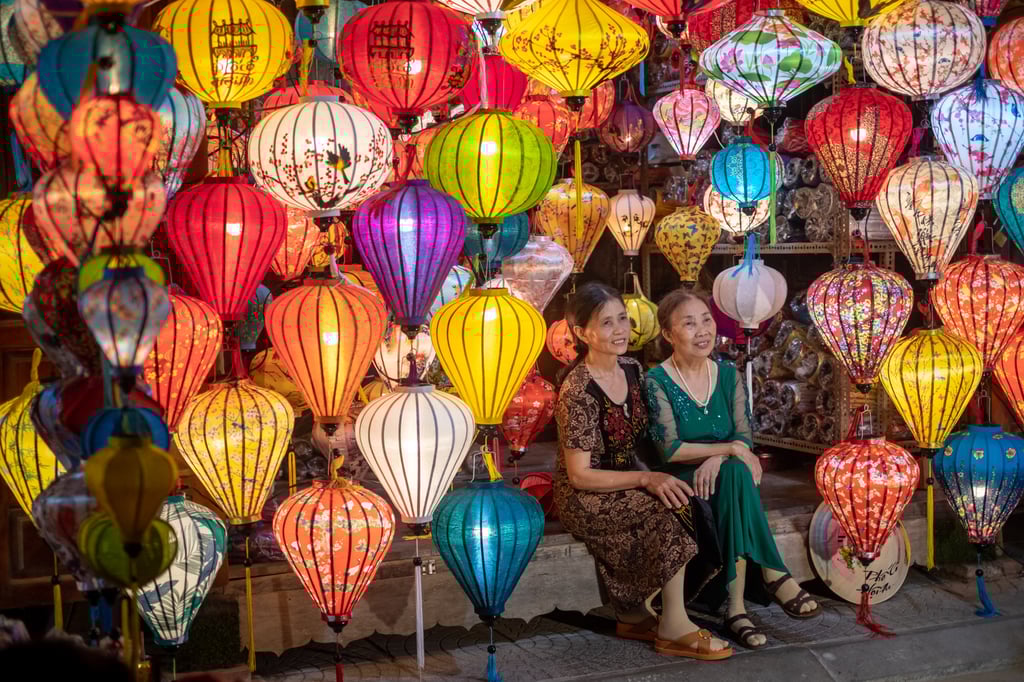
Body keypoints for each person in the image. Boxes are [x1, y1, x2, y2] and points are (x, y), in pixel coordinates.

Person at [554, 282, 732, 661]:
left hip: (633, 475)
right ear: (582, 333)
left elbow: (659, 435)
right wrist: (646, 479)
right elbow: (580, 476)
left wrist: (716, 453)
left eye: (623, 319)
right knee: (664, 511)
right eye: (606, 323)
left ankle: (635, 614)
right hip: (588, 493)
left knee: (686, 497)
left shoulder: (633, 369)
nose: (619, 330)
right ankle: (674, 625)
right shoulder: (578, 391)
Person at [646, 288, 821, 649]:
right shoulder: (657, 381)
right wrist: (725, 450)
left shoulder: (728, 375)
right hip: (682, 479)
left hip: (724, 474)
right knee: (737, 474)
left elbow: (744, 437)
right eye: (689, 324)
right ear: (668, 335)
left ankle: (738, 607)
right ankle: (768, 578)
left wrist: (722, 456)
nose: (702, 330)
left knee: (735, 475)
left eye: (706, 320)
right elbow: (671, 448)